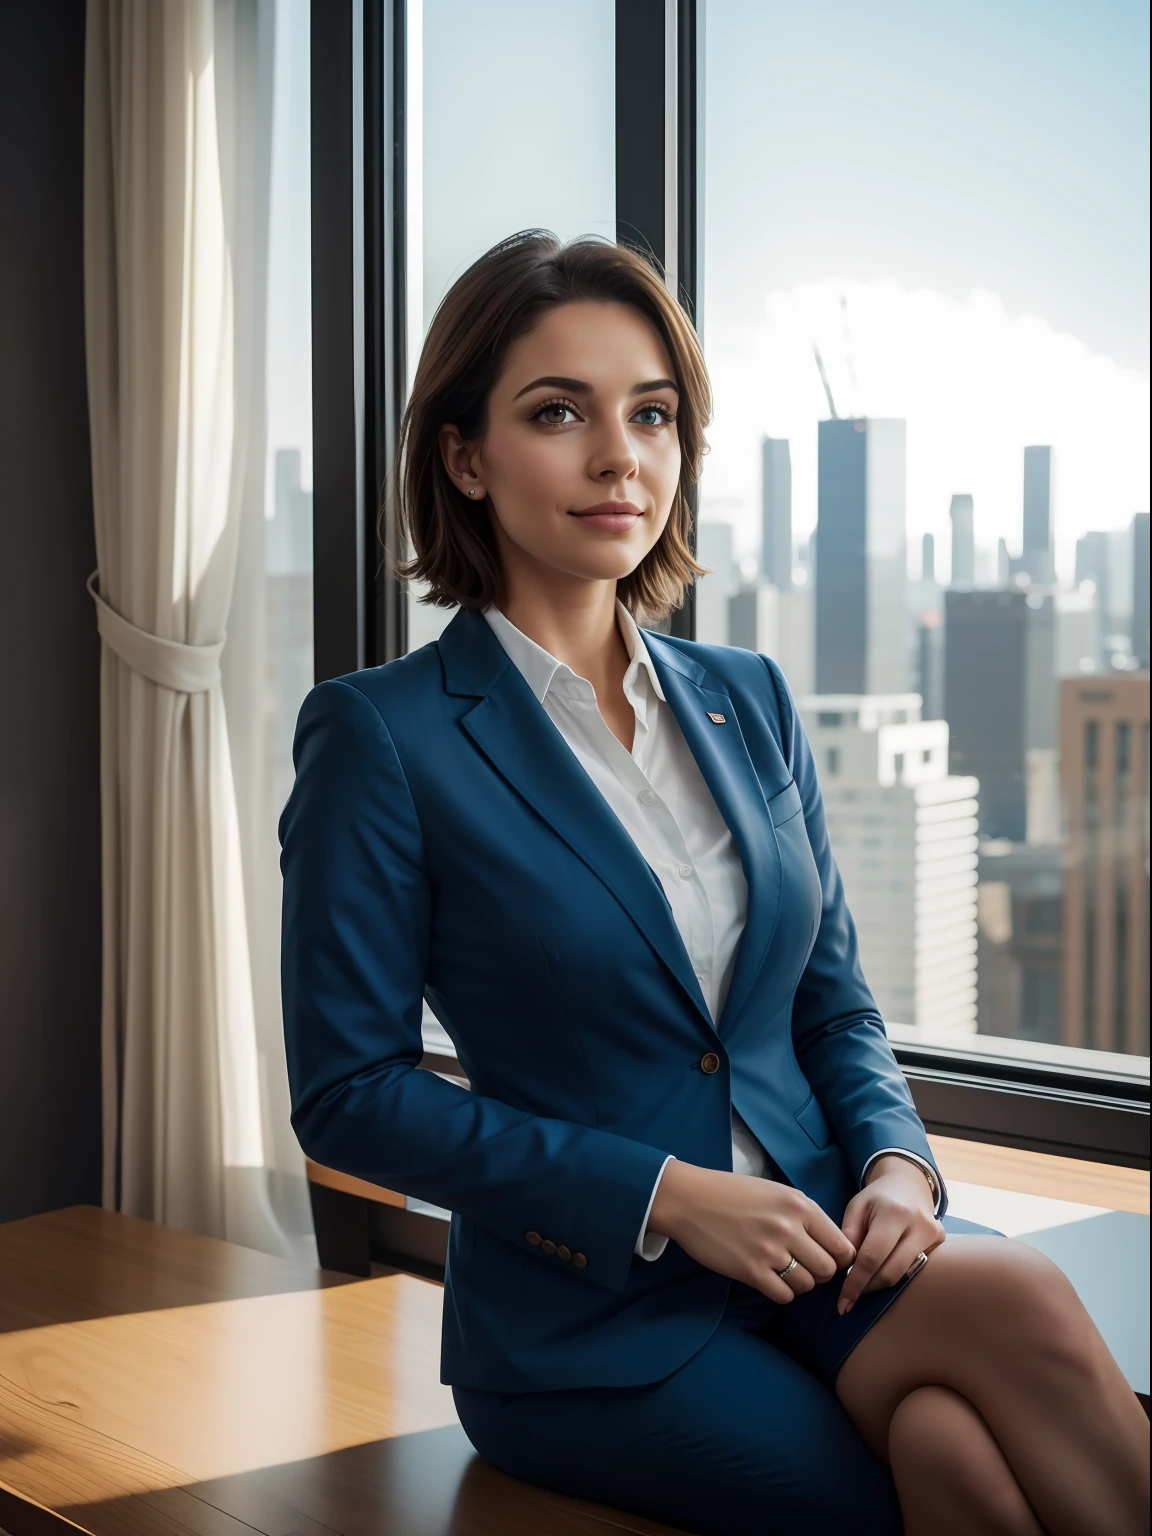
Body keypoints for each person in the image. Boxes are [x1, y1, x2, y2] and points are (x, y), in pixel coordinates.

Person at [279, 232, 1148, 1536]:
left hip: (823, 1255)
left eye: (653, 414)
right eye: (558, 412)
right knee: (934, 1469)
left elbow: (832, 1004)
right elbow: (350, 1096)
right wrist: (663, 1197)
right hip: (593, 1323)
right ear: (465, 457)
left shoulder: (751, 698)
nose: (618, 454)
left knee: (1000, 1344)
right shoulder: (383, 736)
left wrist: (901, 1166)